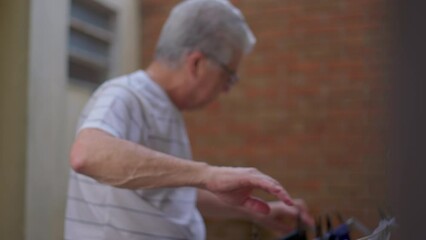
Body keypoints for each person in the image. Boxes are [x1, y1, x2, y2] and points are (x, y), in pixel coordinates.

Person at [64, 0, 313, 239]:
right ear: (196, 63)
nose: (227, 89)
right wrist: (207, 174)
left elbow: (170, 194)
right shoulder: (126, 94)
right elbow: (87, 154)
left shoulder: (164, 107)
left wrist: (255, 211)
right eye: (229, 76)